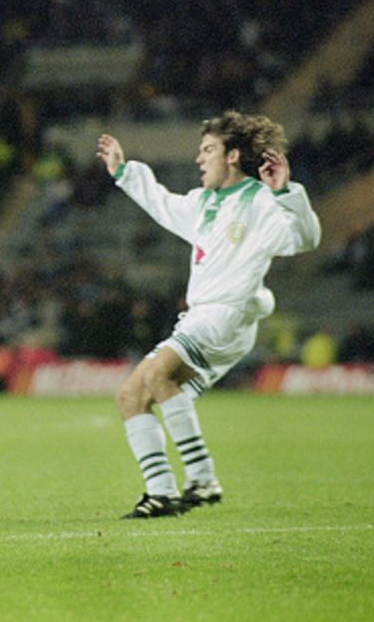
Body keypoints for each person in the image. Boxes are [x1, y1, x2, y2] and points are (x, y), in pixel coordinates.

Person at [97, 111, 320, 518]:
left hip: (226, 315)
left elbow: (303, 239)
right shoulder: (203, 204)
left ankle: (202, 478)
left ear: (233, 155)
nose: (199, 159)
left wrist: (286, 192)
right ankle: (161, 492)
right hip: (204, 318)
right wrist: (124, 172)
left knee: (157, 375)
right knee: (130, 396)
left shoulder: (259, 202)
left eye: (208, 150)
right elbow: (161, 203)